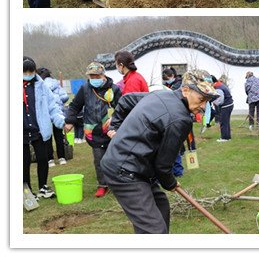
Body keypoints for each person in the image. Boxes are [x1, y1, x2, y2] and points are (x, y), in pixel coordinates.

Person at [101, 70, 218, 234]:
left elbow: (127, 100)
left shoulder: (161, 95)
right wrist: (170, 182)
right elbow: (163, 165)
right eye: (201, 99)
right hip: (124, 171)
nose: (203, 106)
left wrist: (116, 127)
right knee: (153, 230)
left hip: (136, 166)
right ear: (185, 90)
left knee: (160, 205)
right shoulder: (180, 119)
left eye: (206, 101)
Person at [64, 62, 122, 197]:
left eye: (97, 75)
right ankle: (102, 185)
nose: (94, 78)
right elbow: (74, 106)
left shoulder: (113, 89)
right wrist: (70, 121)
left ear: (103, 75)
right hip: (93, 131)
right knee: (99, 159)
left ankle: (117, 184)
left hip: (112, 131)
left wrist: (114, 117)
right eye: (92, 76)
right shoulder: (85, 89)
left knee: (114, 158)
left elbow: (122, 107)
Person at [23, 56, 65, 199]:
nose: (28, 75)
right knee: (24, 161)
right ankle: (26, 191)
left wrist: (61, 121)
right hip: (22, 130)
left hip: (38, 128)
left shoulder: (41, 86)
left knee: (43, 158)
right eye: (25, 72)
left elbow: (52, 105)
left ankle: (43, 187)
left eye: (31, 72)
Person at [37, 68, 69, 167]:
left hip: (45, 113)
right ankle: (61, 157)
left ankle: (50, 159)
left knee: (47, 137)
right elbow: (65, 97)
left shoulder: (39, 85)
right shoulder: (56, 84)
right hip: (57, 112)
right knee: (59, 136)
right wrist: (58, 102)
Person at [211, 73, 234, 142]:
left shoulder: (218, 88)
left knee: (223, 122)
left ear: (212, 82)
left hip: (226, 106)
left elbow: (220, 100)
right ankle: (228, 136)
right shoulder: (220, 84)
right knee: (226, 122)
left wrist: (214, 102)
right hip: (229, 104)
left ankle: (224, 138)